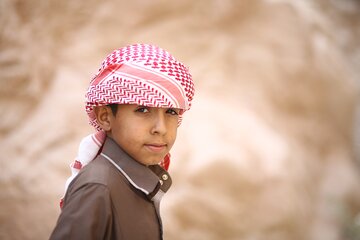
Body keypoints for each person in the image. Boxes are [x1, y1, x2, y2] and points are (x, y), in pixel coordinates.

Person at [49, 43, 195, 240]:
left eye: (170, 112)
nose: (160, 128)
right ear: (105, 117)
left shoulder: (135, 181)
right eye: (143, 110)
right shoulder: (98, 188)